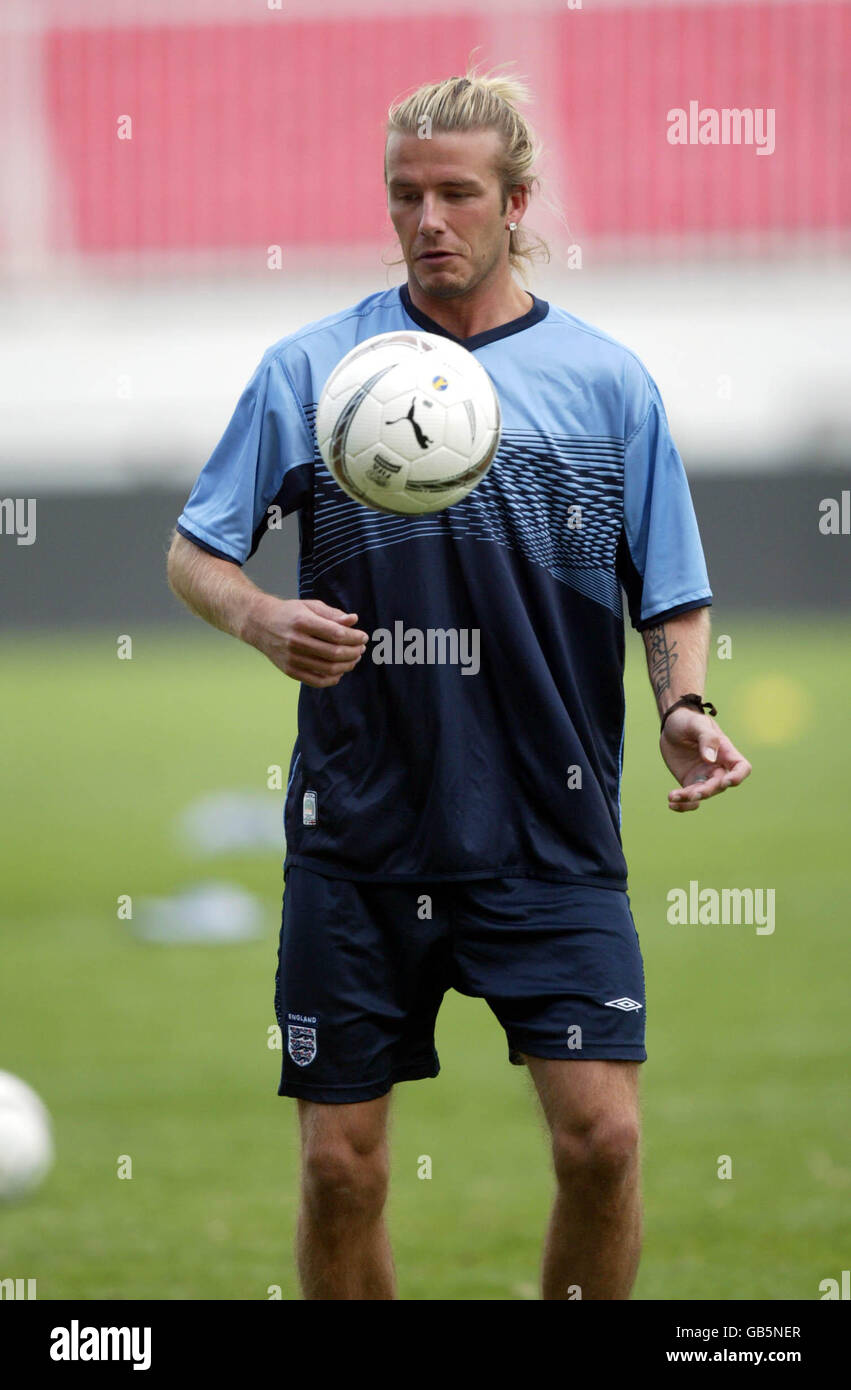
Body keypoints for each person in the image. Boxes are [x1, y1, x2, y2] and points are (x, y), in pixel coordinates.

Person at [167, 68, 751, 1300]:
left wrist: (683, 708)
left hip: (547, 822)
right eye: (404, 196)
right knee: (340, 1168)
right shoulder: (315, 369)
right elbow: (195, 550)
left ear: (516, 199)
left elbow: (672, 588)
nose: (427, 220)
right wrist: (261, 615)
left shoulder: (606, 384)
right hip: (360, 827)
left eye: (455, 194)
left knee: (602, 1143)